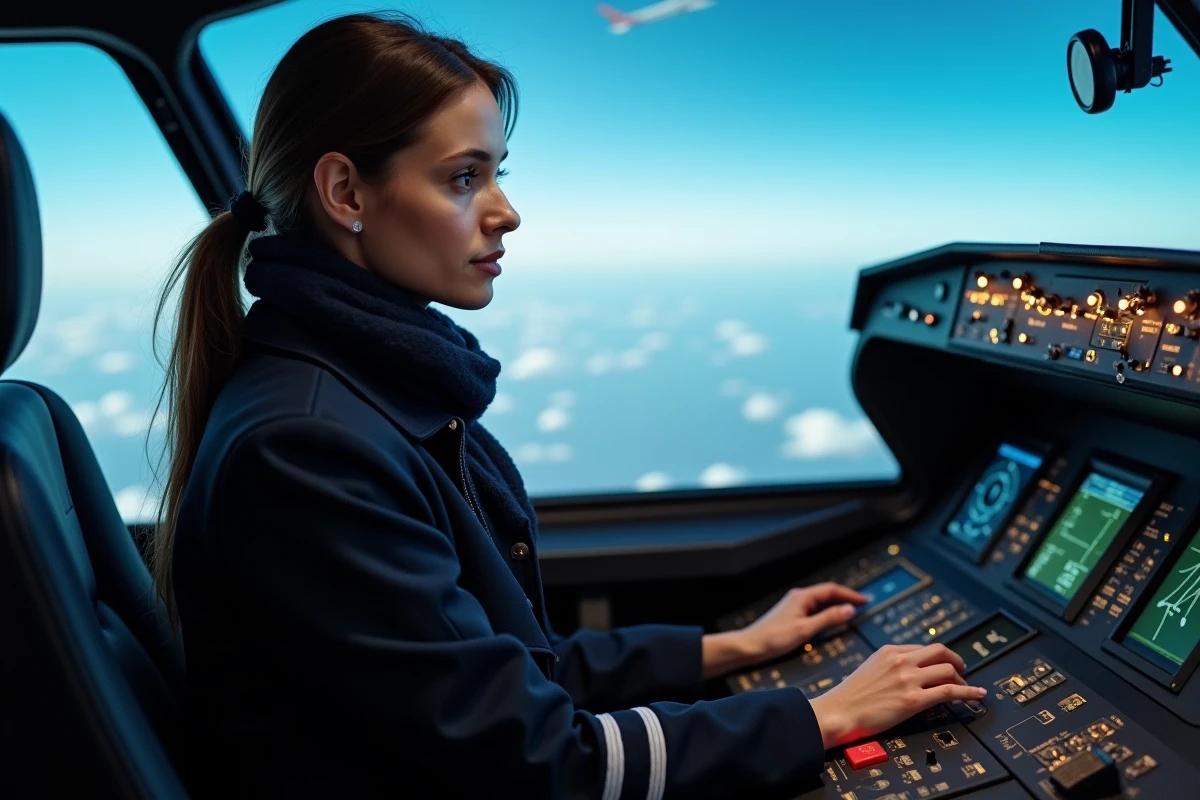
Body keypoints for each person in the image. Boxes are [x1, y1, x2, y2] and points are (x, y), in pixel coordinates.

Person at [151, 12, 987, 799]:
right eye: (463, 178)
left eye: (496, 175)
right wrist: (821, 714)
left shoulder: (360, 392)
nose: (506, 212)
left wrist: (734, 648)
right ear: (346, 193)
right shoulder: (308, 443)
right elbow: (543, 762)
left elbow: (504, 664)